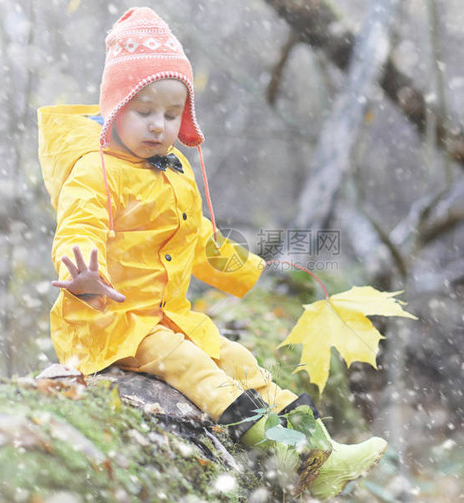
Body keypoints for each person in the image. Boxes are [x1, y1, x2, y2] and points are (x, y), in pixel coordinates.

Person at [37, 7, 386, 499]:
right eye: (144, 111)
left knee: (237, 357)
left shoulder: (172, 172)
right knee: (193, 367)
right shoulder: (94, 170)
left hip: (168, 316)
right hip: (111, 323)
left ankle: (323, 453)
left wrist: (252, 265)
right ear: (115, 107)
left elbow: (198, 238)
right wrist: (81, 265)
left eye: (171, 114)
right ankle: (280, 450)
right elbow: (80, 222)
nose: (159, 126)